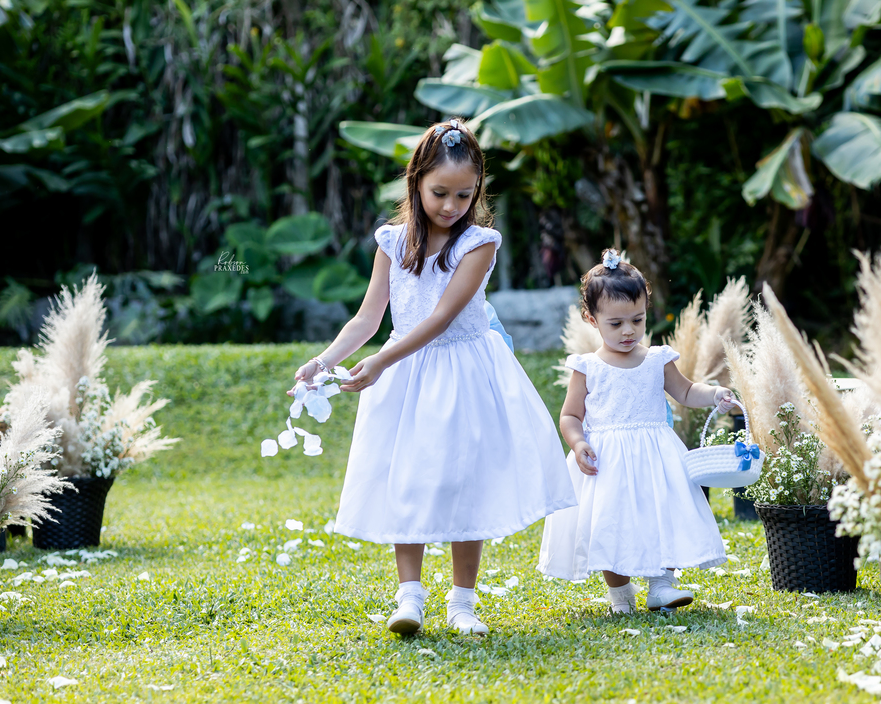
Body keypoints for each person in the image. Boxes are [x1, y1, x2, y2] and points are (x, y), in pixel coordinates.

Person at [291, 119, 576, 636]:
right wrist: (323, 361)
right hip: (408, 374)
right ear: (416, 183)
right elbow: (367, 317)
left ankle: (462, 602)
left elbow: (441, 317)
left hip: (463, 371)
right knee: (410, 478)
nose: (450, 206)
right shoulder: (392, 242)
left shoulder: (479, 243)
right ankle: (410, 596)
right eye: (439, 193)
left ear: (478, 191)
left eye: (463, 195)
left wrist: (381, 362)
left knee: (466, 481)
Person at [537, 249, 734, 613]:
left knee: (663, 513)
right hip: (607, 460)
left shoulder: (657, 358)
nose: (628, 331)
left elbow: (686, 391)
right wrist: (578, 443)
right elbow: (570, 416)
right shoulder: (587, 367)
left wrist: (715, 394)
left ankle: (662, 584)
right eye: (616, 323)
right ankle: (620, 592)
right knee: (609, 523)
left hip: (655, 453)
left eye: (637, 320)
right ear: (591, 319)